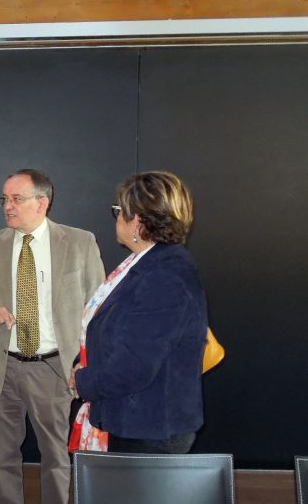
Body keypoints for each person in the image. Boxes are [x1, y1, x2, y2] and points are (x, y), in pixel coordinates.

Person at [0, 169, 105, 504]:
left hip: (53, 368)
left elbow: (98, 305)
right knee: (3, 456)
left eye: (16, 198)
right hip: (2, 369)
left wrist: (86, 365)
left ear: (42, 202)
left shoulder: (79, 242)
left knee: (56, 457)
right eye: (4, 199)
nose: (7, 206)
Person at [71, 170, 207, 454]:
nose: (116, 217)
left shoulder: (164, 274)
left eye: (119, 210)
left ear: (138, 221)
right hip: (138, 419)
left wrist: (83, 381)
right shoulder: (147, 264)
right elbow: (114, 331)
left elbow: (135, 365)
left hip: (149, 429)